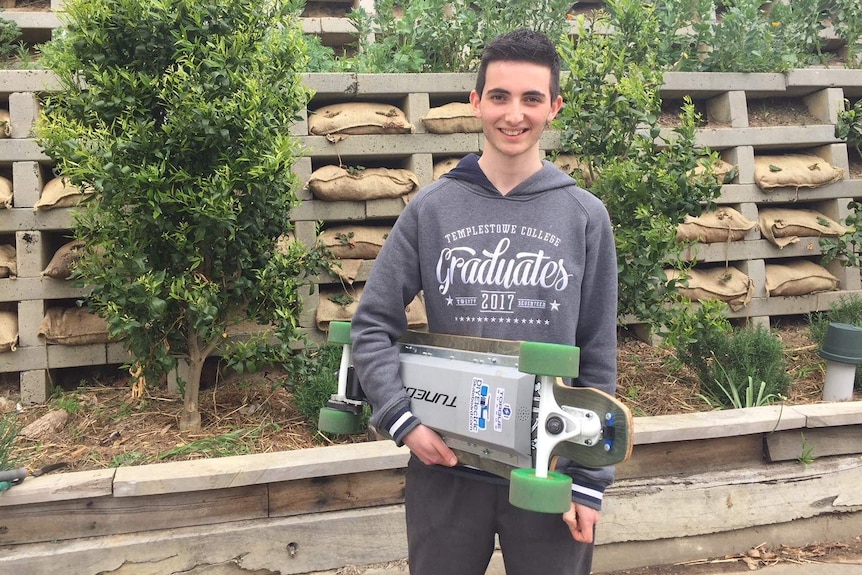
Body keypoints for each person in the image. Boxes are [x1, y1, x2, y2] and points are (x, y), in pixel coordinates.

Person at [349, 28, 618, 575]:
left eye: (531, 98)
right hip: (445, 466)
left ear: (554, 107)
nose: (513, 114)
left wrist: (589, 484)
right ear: (475, 102)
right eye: (499, 96)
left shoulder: (585, 217)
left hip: (550, 468)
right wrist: (401, 421)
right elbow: (372, 324)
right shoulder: (431, 210)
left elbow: (597, 352)